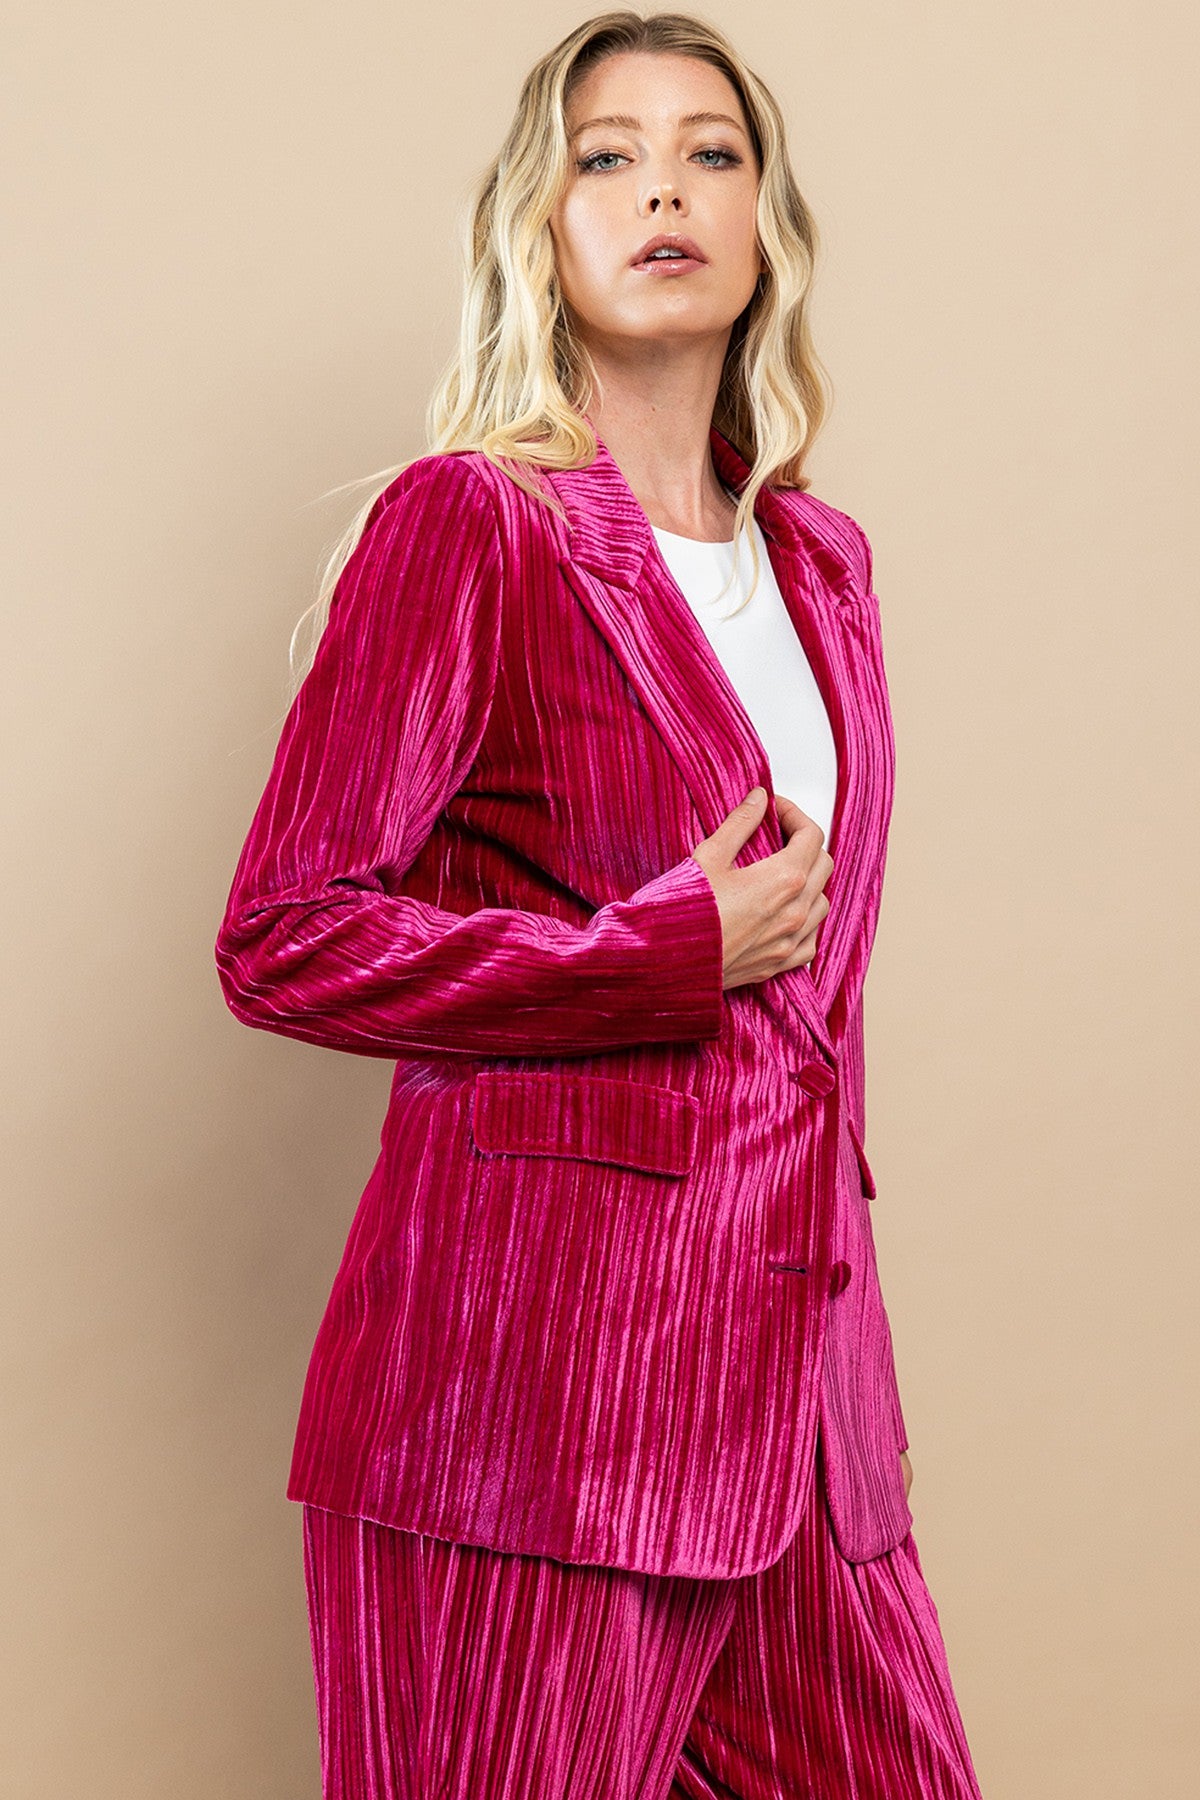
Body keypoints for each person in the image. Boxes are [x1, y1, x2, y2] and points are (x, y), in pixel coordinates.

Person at [215, 12, 983, 1797]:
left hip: (797, 1433)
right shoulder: (470, 526)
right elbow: (284, 934)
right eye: (607, 158)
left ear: (767, 221)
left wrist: (848, 1391)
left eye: (711, 154)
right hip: (528, 1407)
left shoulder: (823, 565)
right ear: (538, 223)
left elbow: (816, 1034)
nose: (663, 193)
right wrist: (658, 954)